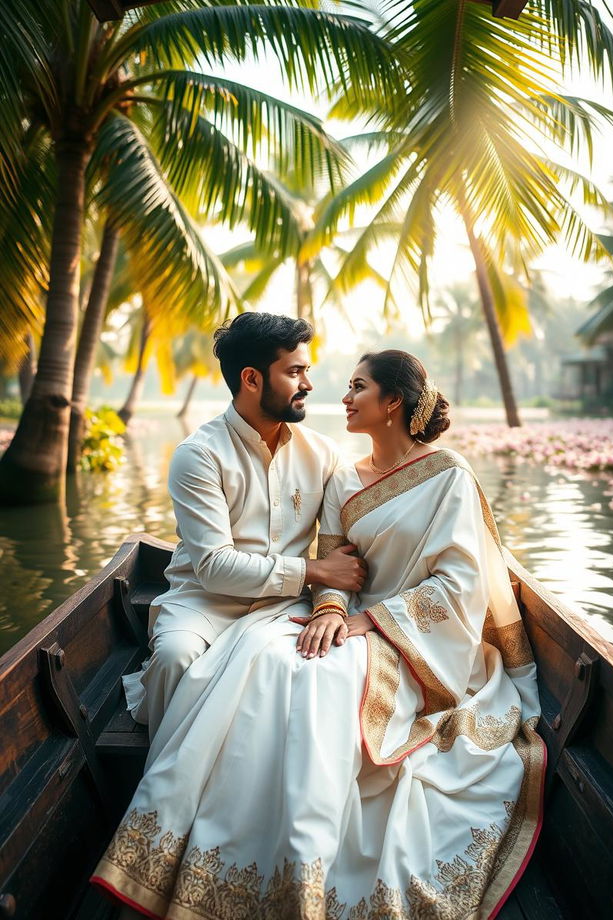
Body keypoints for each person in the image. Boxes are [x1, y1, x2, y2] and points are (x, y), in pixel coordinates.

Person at [93, 349, 544, 920]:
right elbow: (333, 561)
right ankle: (206, 841)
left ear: (394, 402)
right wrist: (331, 608)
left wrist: (367, 621)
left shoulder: (447, 474)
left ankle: (300, 862)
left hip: (412, 636)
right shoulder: (342, 477)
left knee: (317, 677)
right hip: (331, 612)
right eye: (332, 382)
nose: (341, 395)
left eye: (358, 387)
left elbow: (461, 585)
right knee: (262, 653)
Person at [124, 312, 367, 739]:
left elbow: (341, 546)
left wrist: (328, 598)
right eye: (294, 372)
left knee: (313, 669)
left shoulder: (323, 454)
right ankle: (165, 780)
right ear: (252, 379)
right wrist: (314, 571)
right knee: (175, 658)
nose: (307, 384)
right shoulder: (199, 455)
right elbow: (214, 567)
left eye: (306, 371)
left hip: (283, 606)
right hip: (204, 602)